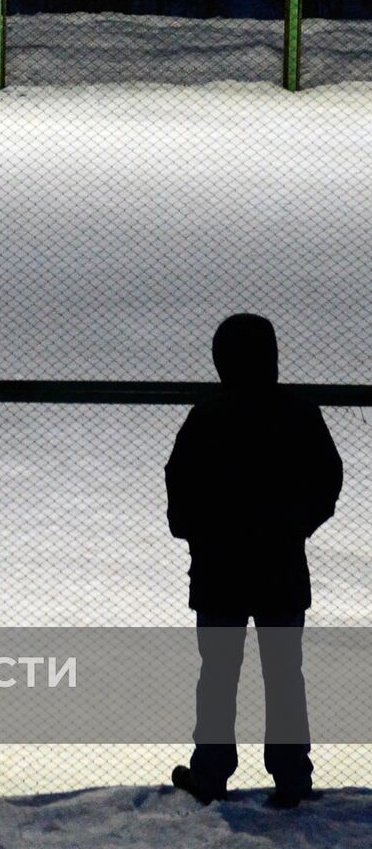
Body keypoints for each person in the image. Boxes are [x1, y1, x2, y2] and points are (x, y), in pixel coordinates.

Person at [165, 313, 342, 809]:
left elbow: (180, 488)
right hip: (280, 566)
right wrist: (294, 525)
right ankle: (290, 776)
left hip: (220, 568)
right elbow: (327, 480)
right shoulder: (299, 413)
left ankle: (213, 772)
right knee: (283, 673)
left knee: (219, 673)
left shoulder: (207, 417)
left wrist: (198, 533)